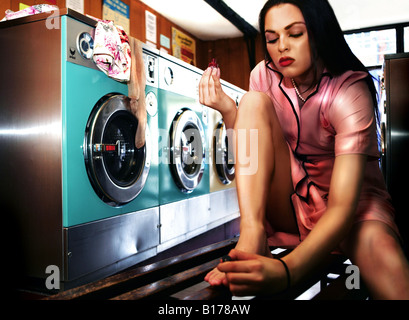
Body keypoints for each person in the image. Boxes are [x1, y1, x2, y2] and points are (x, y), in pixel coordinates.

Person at [199, 0, 409, 299]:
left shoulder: (349, 90)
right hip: (294, 200)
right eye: (272, 39)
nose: (281, 47)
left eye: (294, 34)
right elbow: (252, 151)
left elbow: (342, 208)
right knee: (252, 101)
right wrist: (228, 111)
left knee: (395, 280)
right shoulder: (264, 76)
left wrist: (287, 271)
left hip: (352, 206)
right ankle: (252, 236)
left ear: (319, 32)